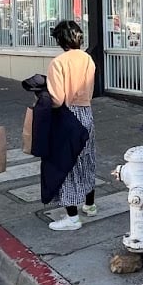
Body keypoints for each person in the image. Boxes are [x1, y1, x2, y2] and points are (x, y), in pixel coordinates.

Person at [45, 20, 97, 232]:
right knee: (87, 158)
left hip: (67, 115)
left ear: (60, 39)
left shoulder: (58, 62)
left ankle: (72, 217)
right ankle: (90, 205)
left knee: (66, 165)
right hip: (86, 112)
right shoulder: (88, 59)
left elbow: (57, 99)